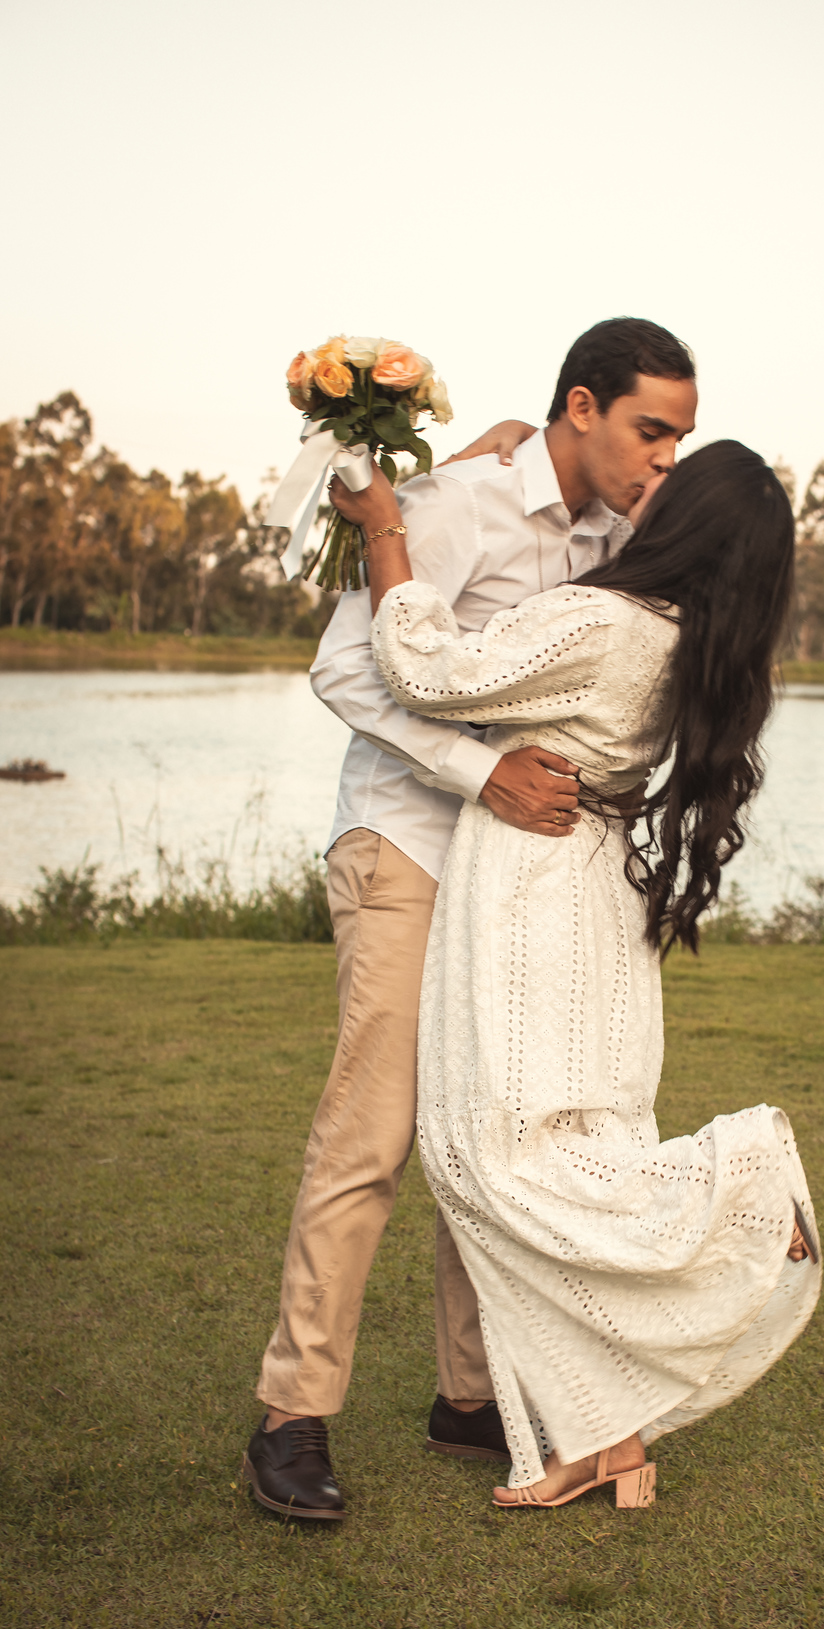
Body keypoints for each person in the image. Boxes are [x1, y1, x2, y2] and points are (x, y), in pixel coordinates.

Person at [243, 319, 698, 1520]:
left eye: (680, 442)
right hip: (407, 844)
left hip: (518, 883)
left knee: (491, 1132)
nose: (664, 460)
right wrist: (475, 772)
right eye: (651, 430)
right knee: (375, 1129)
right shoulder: (459, 504)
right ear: (584, 406)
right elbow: (346, 668)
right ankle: (291, 1418)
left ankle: (468, 1395)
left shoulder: (620, 539)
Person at [328, 437, 821, 1509]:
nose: (652, 478)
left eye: (670, 479)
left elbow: (425, 672)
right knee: (582, 1133)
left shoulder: (605, 621)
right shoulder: (694, 642)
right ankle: (607, 1438)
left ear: (685, 519)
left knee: (487, 1153)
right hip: (600, 888)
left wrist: (384, 530)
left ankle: (747, 1172)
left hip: (529, 885)